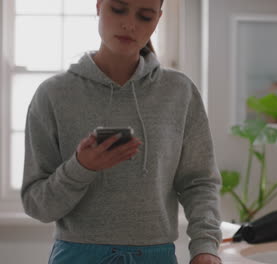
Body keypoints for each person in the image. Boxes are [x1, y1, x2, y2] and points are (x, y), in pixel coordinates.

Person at [20, 0, 222, 263]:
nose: (129, 24)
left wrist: (206, 247)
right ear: (98, 6)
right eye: (118, 9)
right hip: (77, 255)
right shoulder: (53, 94)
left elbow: (199, 183)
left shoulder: (179, 91)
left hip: (156, 255)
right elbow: (38, 206)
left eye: (145, 16)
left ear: (158, 19)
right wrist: (81, 167)